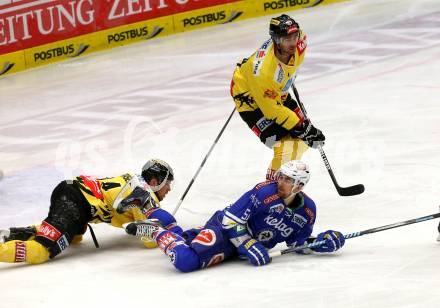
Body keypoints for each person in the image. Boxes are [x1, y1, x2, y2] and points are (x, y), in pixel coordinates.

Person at [124, 160, 345, 272]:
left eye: (288, 180)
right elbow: (231, 220)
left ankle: (174, 230)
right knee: (186, 261)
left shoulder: (308, 211)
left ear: (299, 186)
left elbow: (297, 243)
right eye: (281, 176)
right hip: (224, 230)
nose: (280, 181)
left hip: (238, 249)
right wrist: (247, 243)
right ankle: (156, 230)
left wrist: (320, 243)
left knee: (187, 242)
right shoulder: (264, 191)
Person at [0, 159, 181, 265]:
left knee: (74, 237)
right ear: (156, 180)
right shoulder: (145, 196)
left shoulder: (135, 180)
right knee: (42, 251)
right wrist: (166, 227)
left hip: (72, 193)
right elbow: (149, 241)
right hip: (75, 202)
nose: (169, 190)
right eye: (167, 184)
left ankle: (15, 234)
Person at [230, 14, 325, 180]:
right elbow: (272, 110)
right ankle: (271, 189)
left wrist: (303, 130)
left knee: (300, 142)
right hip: (250, 100)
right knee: (285, 146)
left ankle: (282, 183)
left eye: (294, 37)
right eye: (286, 39)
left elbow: (289, 67)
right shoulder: (263, 72)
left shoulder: (300, 40)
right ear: (275, 40)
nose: (293, 43)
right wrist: (302, 126)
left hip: (275, 90)